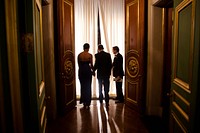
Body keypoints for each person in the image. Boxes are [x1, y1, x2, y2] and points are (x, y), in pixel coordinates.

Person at [78, 43, 93, 109]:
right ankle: (87, 103)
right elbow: (91, 65)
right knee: (88, 86)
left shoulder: (79, 55)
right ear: (88, 48)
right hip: (87, 71)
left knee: (82, 86)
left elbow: (78, 64)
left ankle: (83, 101)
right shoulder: (90, 55)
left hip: (81, 71)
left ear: (83, 47)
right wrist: (93, 71)